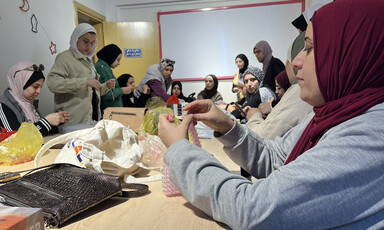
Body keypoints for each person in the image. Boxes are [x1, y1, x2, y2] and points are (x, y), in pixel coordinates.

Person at [157, 0, 384, 228]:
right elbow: (276, 158)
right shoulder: (334, 113)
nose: (297, 61)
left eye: (310, 48)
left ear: (353, 54)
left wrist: (179, 150)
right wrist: (227, 126)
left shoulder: (371, 135)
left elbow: (251, 209)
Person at [47, 23, 114, 125]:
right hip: (72, 120)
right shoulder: (64, 58)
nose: (89, 46)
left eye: (92, 43)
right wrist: (84, 81)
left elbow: (91, 91)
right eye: (85, 41)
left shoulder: (88, 61)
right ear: (76, 39)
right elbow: (53, 83)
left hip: (92, 118)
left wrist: (105, 87)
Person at [0, 61, 70, 136]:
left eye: (40, 87)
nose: (39, 91)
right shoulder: (3, 107)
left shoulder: (29, 105)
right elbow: (14, 139)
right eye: (35, 86)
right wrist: (46, 122)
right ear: (20, 82)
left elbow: (38, 132)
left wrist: (57, 120)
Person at [95, 44, 135, 113]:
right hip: (108, 112)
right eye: (118, 60)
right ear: (111, 56)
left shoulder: (105, 68)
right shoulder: (102, 69)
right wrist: (122, 90)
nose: (119, 63)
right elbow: (105, 93)